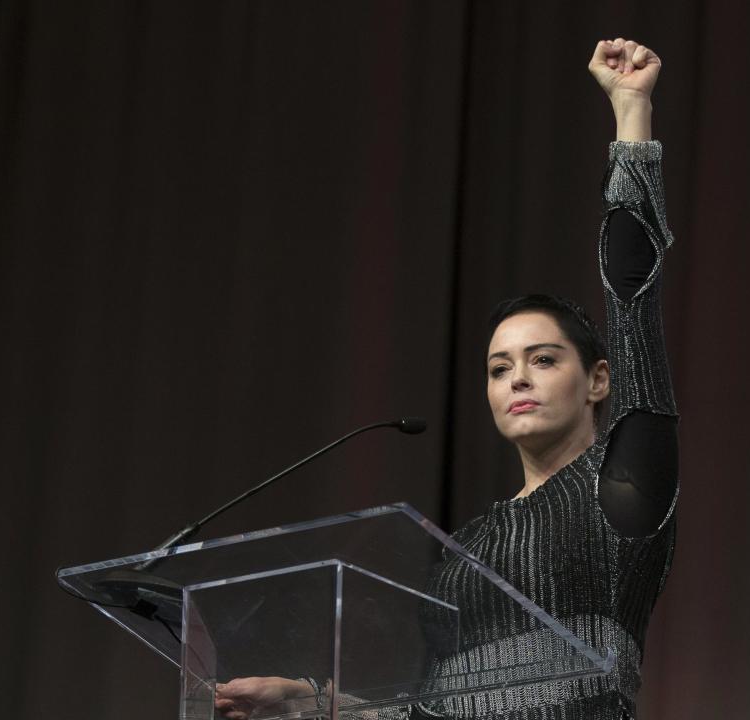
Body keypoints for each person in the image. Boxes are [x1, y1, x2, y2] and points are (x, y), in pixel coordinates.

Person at [216, 37, 678, 720]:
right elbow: (435, 709)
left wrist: (631, 112)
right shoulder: (470, 545)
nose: (517, 379)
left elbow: (633, 294)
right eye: (499, 368)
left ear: (600, 380)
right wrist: (315, 704)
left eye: (543, 359)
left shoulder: (625, 491)